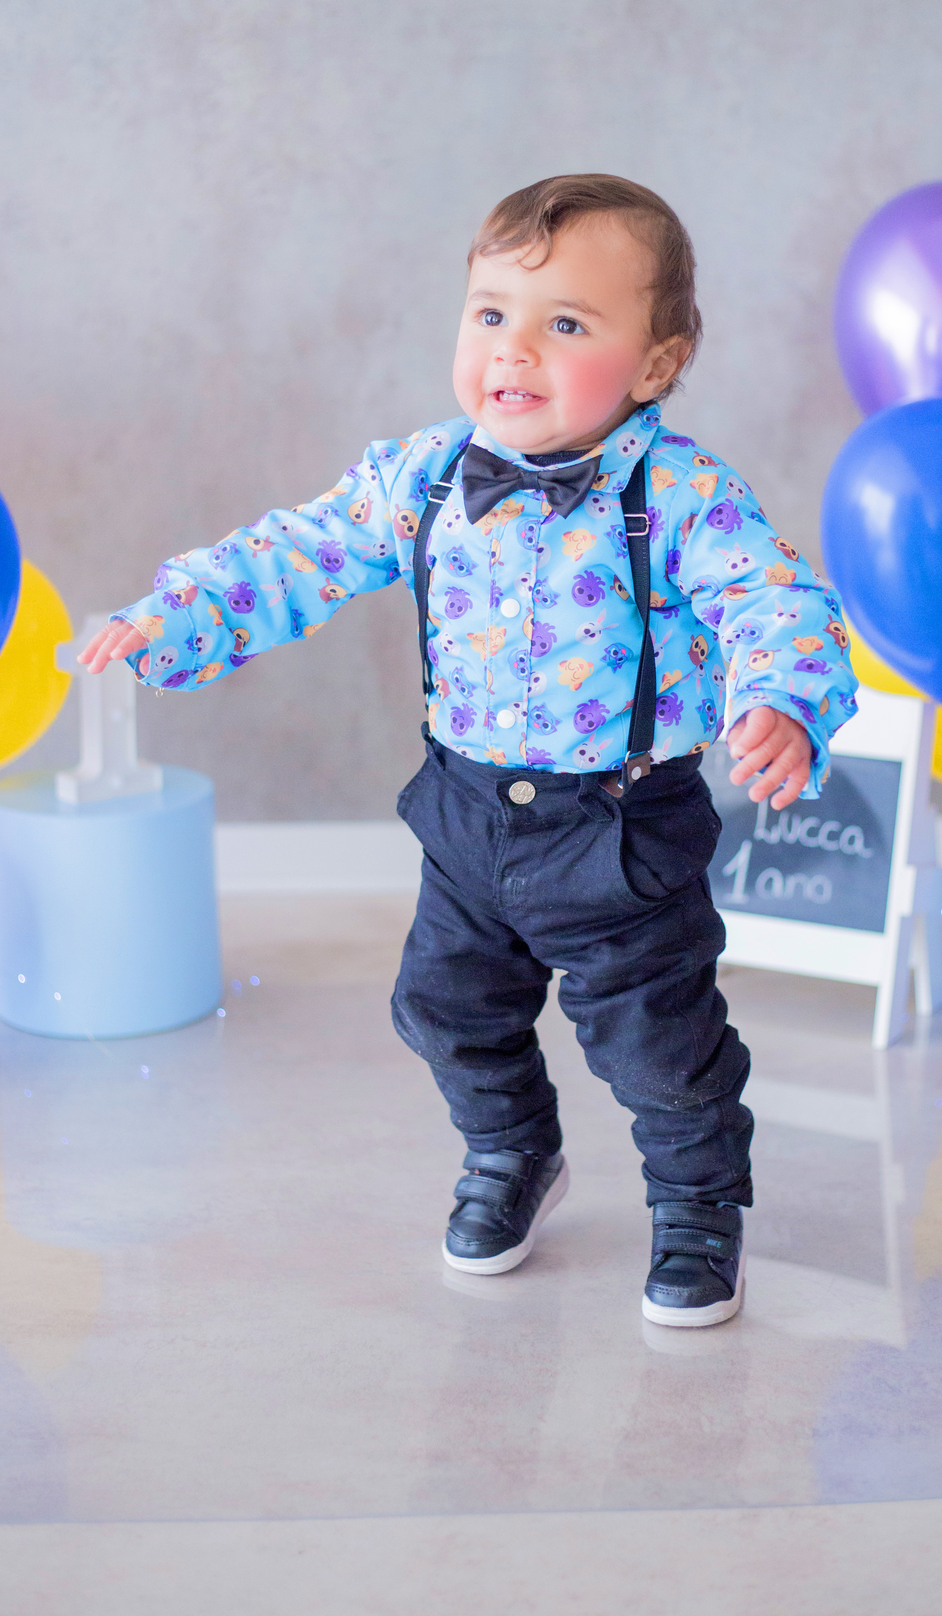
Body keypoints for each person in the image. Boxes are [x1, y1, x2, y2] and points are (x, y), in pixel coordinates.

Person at [80, 174, 858, 1328]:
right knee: (443, 1005)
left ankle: (700, 1202)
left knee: (656, 1046)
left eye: (567, 324)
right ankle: (512, 1151)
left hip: (619, 829)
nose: (516, 350)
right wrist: (177, 615)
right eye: (492, 313)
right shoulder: (429, 474)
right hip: (465, 813)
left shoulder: (682, 490)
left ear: (654, 364)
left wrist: (782, 698)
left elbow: (772, 597)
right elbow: (302, 551)